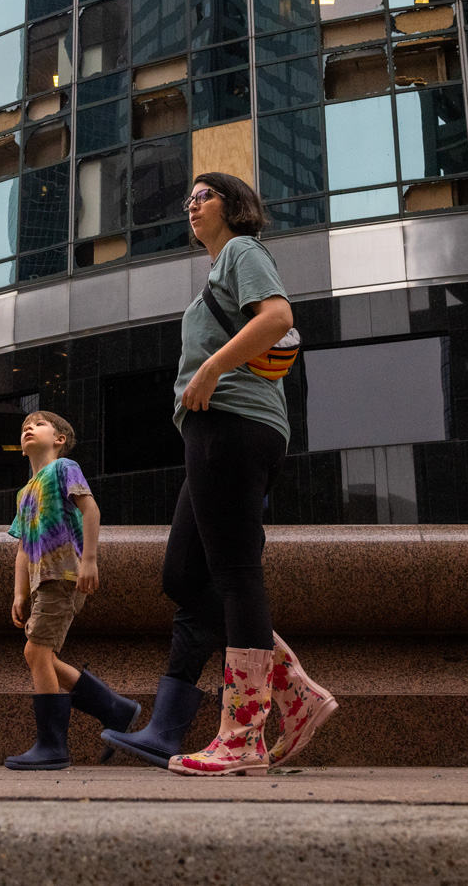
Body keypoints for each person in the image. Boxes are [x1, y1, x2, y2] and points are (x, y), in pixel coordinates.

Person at [101, 172, 339, 777]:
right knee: (185, 574)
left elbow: (278, 317)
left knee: (234, 574)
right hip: (213, 432)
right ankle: (297, 696)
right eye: (188, 198)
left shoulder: (242, 250)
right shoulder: (218, 270)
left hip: (234, 424)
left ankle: (243, 735)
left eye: (203, 196)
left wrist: (209, 369)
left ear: (232, 206)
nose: (191, 205)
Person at [3, 409, 142, 769]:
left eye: (39, 424)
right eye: (24, 427)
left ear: (60, 439)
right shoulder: (24, 493)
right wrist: (20, 593)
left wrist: (90, 560)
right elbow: (21, 549)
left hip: (65, 575)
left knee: (36, 653)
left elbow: (91, 509)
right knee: (40, 655)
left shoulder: (64, 469)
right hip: (42, 582)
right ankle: (116, 709)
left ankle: (53, 746)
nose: (29, 429)